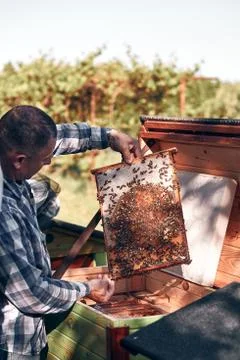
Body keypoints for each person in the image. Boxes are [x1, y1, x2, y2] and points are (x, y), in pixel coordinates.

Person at [0, 105, 142, 359]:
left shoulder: (10, 150)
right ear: (19, 160)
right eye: (45, 160)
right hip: (11, 346)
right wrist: (86, 289)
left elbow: (58, 138)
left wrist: (110, 136)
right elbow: (32, 294)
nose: (49, 160)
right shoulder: (2, 212)